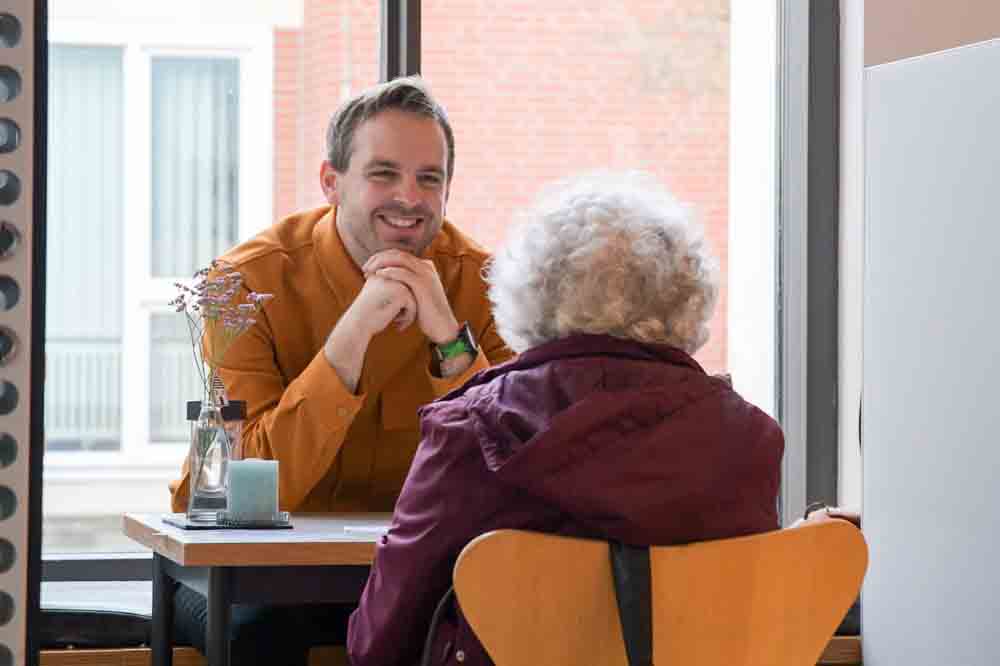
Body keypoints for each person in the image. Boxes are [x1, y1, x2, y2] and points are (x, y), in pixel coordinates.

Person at [346, 171, 786, 666]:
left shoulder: (471, 430)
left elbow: (378, 643)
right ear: (687, 297)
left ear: (530, 291)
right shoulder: (750, 441)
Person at [167, 76, 513, 665]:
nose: (409, 197)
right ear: (331, 182)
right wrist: (348, 340)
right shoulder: (240, 284)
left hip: (412, 573)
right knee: (258, 636)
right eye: (383, 174)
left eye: (430, 178)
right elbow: (242, 483)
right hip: (254, 575)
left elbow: (512, 464)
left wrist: (449, 341)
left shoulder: (488, 286)